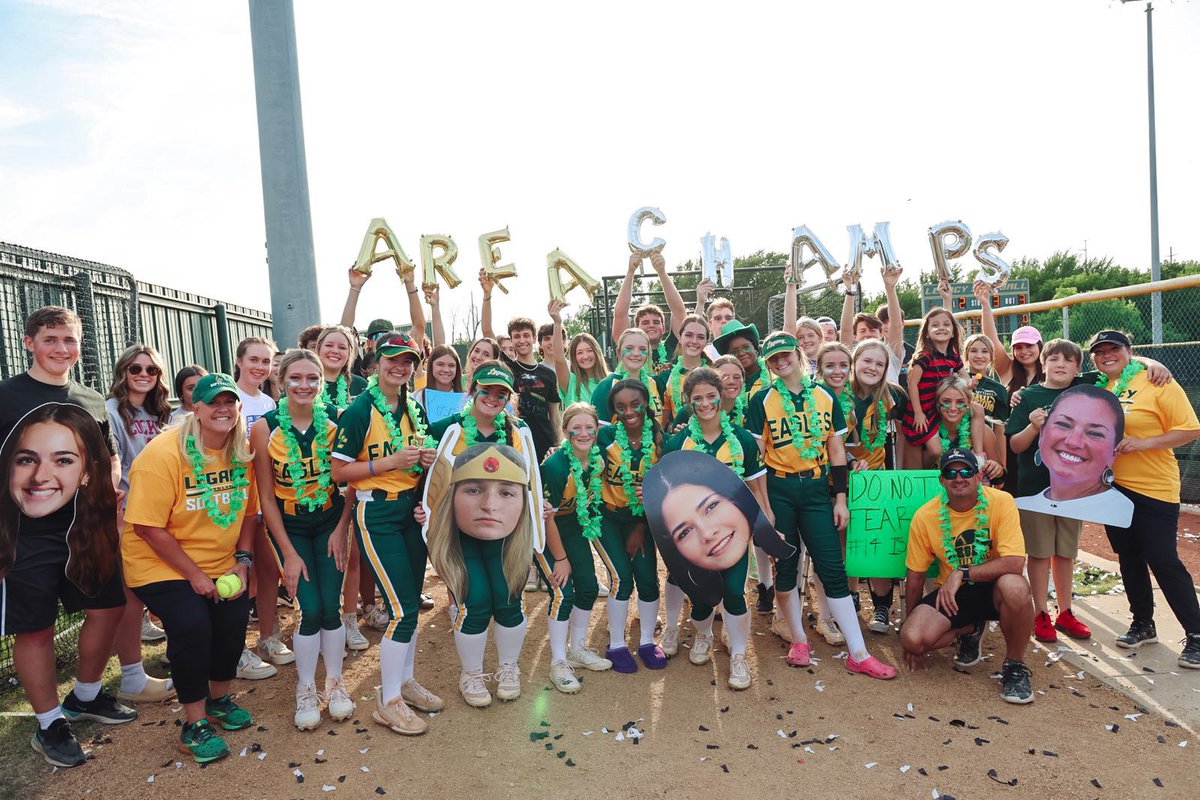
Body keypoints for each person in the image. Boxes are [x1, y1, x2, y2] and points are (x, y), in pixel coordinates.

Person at [0, 306, 136, 768]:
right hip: (24, 535)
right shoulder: (6, 396)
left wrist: (112, 487)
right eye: (51, 339)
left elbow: (108, 454)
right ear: (28, 342)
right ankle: (49, 724)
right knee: (35, 627)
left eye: (70, 341)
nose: (61, 350)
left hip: (85, 529)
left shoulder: (91, 398)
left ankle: (87, 695)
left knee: (109, 608)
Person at [122, 373, 260, 761]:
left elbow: (250, 514)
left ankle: (219, 701)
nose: (222, 409)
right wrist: (195, 575)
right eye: (213, 402)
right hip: (158, 562)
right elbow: (148, 527)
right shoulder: (163, 454)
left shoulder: (241, 451)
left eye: (229, 402)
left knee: (232, 625)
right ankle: (193, 723)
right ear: (194, 408)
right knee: (192, 625)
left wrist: (244, 561)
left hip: (222, 561)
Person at [745, 332, 895, 679]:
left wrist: (840, 498)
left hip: (815, 488)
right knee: (786, 565)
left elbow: (837, 450)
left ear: (798, 354)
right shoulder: (762, 400)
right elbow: (756, 459)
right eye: (773, 359)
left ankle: (858, 651)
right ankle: (798, 639)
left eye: (785, 355)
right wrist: (765, 508)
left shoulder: (824, 395)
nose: (781, 362)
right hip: (779, 488)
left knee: (831, 566)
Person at [331, 331, 440, 735]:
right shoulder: (361, 408)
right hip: (375, 513)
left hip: (408, 511)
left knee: (410, 602)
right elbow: (339, 472)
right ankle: (387, 699)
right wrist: (390, 462)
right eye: (392, 359)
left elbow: (418, 458)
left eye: (407, 360)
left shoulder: (413, 405)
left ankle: (405, 682)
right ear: (376, 363)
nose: (400, 366)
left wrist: (422, 464)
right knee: (401, 609)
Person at [251, 349, 356, 730]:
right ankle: (306, 689)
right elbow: (266, 497)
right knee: (309, 608)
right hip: (290, 527)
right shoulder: (264, 428)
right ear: (280, 381)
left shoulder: (338, 422)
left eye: (312, 378)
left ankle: (336, 683)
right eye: (295, 378)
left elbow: (350, 483)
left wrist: (342, 528)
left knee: (331, 605)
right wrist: (289, 553)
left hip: (330, 521)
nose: (304, 385)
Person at [1087, 330, 1200, 667]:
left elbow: (1191, 428)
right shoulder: (1100, 388)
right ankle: (1143, 623)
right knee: (1128, 555)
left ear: (1129, 352)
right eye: (1100, 351)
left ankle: (1196, 634)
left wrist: (1144, 443)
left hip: (1154, 486)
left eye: (1114, 349)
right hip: (1113, 486)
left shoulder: (1157, 381)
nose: (1107, 355)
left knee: (1162, 557)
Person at [899, 448, 1035, 705]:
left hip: (996, 587)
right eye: (951, 472)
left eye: (966, 471)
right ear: (941, 480)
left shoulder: (1002, 501)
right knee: (913, 639)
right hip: (953, 596)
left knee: (1016, 587)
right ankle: (971, 628)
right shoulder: (925, 516)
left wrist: (962, 573)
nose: (958, 477)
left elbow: (1015, 563)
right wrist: (909, 623)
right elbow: (915, 576)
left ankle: (1015, 665)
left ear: (977, 476)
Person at [658, 368, 765, 689]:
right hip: (695, 534)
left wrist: (768, 521)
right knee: (702, 596)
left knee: (733, 590)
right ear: (687, 402)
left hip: (733, 531)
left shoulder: (742, 438)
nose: (705, 403)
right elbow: (666, 493)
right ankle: (703, 635)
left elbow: (757, 488)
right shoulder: (678, 441)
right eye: (697, 399)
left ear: (721, 394)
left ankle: (739, 656)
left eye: (710, 396)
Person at [422, 443, 539, 707]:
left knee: (508, 596)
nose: (489, 505)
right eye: (474, 490)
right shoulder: (452, 428)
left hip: (507, 540)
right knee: (474, 600)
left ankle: (509, 667)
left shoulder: (515, 428)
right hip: (463, 538)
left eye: (506, 492)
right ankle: (471, 673)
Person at [105, 344, 178, 695]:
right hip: (129, 516)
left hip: (164, 515)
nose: (144, 376)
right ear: (123, 372)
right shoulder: (111, 412)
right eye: (136, 369)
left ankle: (175, 657)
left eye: (152, 371)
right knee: (130, 596)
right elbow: (113, 467)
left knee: (167, 586)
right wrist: (118, 520)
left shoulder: (161, 411)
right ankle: (133, 678)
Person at [536, 404, 615, 692]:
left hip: (574, 528)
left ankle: (577, 649)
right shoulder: (556, 467)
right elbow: (547, 519)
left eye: (589, 428)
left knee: (588, 588)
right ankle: (558, 662)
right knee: (562, 593)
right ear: (565, 430)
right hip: (549, 531)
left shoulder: (598, 458)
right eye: (576, 428)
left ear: (597, 430)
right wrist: (560, 558)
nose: (583, 433)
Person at [595, 379, 665, 672]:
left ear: (646, 403)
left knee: (647, 578)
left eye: (635, 404)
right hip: (608, 517)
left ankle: (647, 641)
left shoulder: (661, 441)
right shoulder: (605, 436)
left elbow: (667, 488)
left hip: (644, 520)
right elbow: (574, 453)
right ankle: (617, 644)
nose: (629, 411)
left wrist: (640, 526)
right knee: (621, 577)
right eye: (620, 407)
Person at [231, 336, 287, 677]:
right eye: (254, 359)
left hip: (265, 497)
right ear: (239, 360)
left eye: (266, 361)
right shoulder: (227, 398)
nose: (260, 367)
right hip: (234, 500)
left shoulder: (269, 404)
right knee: (237, 574)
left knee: (268, 569)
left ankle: (268, 636)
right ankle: (234, 647)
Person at [845, 339, 908, 632]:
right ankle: (851, 597)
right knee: (847, 539)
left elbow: (906, 436)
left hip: (878, 478)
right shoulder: (836, 395)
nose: (872, 368)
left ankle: (882, 606)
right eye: (867, 361)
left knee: (877, 542)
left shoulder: (893, 396)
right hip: (843, 476)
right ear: (854, 363)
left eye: (879, 364)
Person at [480, 300, 561, 462]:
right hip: (514, 440)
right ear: (511, 340)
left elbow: (554, 415)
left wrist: (558, 444)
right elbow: (487, 330)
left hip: (544, 443)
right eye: (516, 336)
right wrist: (487, 296)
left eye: (526, 335)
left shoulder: (549, 374)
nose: (522, 340)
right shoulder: (507, 367)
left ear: (534, 338)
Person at [902, 308, 967, 468]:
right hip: (922, 410)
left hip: (937, 409)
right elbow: (912, 384)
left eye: (946, 324)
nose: (941, 328)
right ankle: (925, 469)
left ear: (953, 332)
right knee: (935, 450)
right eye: (935, 325)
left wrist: (970, 383)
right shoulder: (924, 356)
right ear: (927, 333)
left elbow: (965, 377)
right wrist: (918, 412)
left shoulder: (953, 356)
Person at [610, 251, 687, 375]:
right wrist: (630, 272)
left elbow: (679, 312)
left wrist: (661, 272)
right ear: (637, 328)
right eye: (645, 322)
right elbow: (620, 315)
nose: (651, 325)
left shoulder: (671, 347)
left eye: (656, 322)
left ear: (663, 327)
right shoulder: (630, 350)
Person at [839, 262, 908, 385]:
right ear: (854, 336)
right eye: (862, 331)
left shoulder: (891, 356)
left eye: (872, 330)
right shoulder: (851, 357)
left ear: (881, 333)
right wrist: (850, 291)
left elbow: (896, 326)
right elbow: (845, 330)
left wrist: (890, 287)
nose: (868, 334)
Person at [590, 328, 664, 423]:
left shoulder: (652, 383)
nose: (636, 353)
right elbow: (600, 432)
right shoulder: (606, 386)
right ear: (619, 352)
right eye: (629, 348)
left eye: (642, 349)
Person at [547, 300, 610, 407]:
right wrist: (557, 323)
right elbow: (559, 361)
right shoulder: (571, 382)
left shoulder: (610, 381)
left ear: (597, 353)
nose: (585, 356)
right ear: (574, 357)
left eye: (589, 350)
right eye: (579, 353)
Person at [655, 314, 710, 427]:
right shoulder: (665, 377)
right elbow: (661, 423)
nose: (694, 341)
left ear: (706, 341)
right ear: (680, 338)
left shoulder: (715, 375)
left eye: (700, 337)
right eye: (689, 335)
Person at [712, 320, 770, 404]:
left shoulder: (773, 374)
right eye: (734, 352)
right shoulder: (725, 386)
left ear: (755, 348)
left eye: (746, 347)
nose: (741, 353)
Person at [316, 325, 368, 410]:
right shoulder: (306, 384)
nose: (335, 351)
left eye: (342, 347)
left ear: (349, 353)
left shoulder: (360, 385)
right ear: (318, 348)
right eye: (329, 345)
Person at [413, 344, 464, 418]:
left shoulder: (467, 400)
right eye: (440, 364)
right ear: (431, 366)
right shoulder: (417, 398)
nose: (446, 370)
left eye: (451, 365)